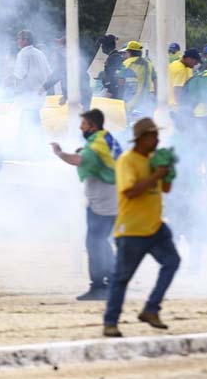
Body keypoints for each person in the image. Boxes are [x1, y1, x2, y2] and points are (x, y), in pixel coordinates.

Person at [103, 118, 179, 338]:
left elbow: (165, 188)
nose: (157, 140)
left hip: (155, 226)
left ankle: (151, 309)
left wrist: (168, 173)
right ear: (142, 139)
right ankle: (110, 322)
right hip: (132, 230)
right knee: (121, 278)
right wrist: (156, 174)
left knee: (172, 262)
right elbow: (129, 192)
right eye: (153, 136)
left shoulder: (154, 159)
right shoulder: (127, 160)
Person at [50, 109, 122, 301]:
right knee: (102, 241)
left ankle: (99, 287)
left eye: (83, 124)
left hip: (103, 201)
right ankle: (115, 281)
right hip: (111, 198)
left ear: (93, 125)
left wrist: (59, 153)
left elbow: (79, 160)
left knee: (94, 243)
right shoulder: (105, 138)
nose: (81, 127)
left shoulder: (97, 143)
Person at [12, 30, 52, 128]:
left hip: (29, 95)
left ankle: (30, 141)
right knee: (33, 122)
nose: (17, 41)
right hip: (39, 94)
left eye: (19, 39)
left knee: (27, 124)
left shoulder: (23, 54)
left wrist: (9, 79)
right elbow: (49, 73)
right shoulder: (40, 53)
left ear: (25, 40)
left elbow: (20, 74)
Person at [116, 41, 156, 123]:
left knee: (129, 127)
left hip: (130, 101)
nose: (123, 55)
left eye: (124, 53)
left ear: (129, 52)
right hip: (147, 101)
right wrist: (156, 95)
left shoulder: (125, 63)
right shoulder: (149, 64)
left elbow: (120, 82)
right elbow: (155, 80)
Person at [98, 34, 122, 99]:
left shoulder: (114, 58)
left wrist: (110, 91)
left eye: (103, 45)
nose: (101, 47)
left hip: (113, 92)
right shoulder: (114, 56)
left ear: (107, 46)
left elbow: (114, 75)